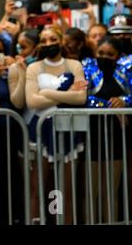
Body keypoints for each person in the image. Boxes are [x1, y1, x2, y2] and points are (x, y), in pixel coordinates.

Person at [25, 25, 87, 224]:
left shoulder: (74, 65)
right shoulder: (34, 67)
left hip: (67, 128)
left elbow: (81, 97)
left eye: (52, 39)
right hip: (40, 130)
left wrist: (46, 94)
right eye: (44, 41)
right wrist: (67, 94)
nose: (48, 44)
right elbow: (31, 102)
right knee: (38, 187)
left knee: (65, 188)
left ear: (60, 40)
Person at [82, 37, 132, 222]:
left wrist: (124, 101)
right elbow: (81, 96)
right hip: (92, 133)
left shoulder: (125, 71)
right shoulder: (87, 68)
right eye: (101, 53)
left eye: (110, 55)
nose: (104, 57)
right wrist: (106, 104)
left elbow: (131, 96)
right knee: (91, 190)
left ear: (118, 56)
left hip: (116, 133)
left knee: (111, 190)